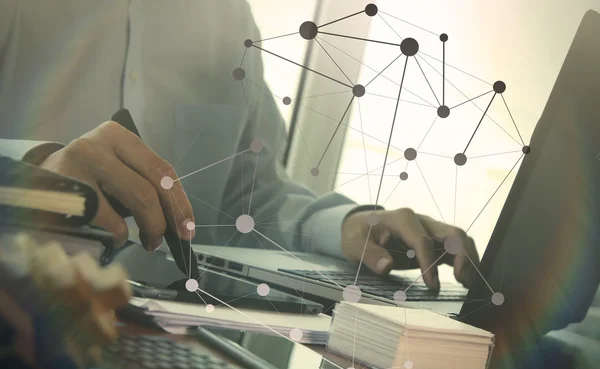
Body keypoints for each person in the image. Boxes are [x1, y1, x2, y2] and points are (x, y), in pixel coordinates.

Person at [0, 0, 479, 290]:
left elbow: (248, 202)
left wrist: (348, 226)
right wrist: (30, 170)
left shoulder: (228, 18)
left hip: (180, 358)